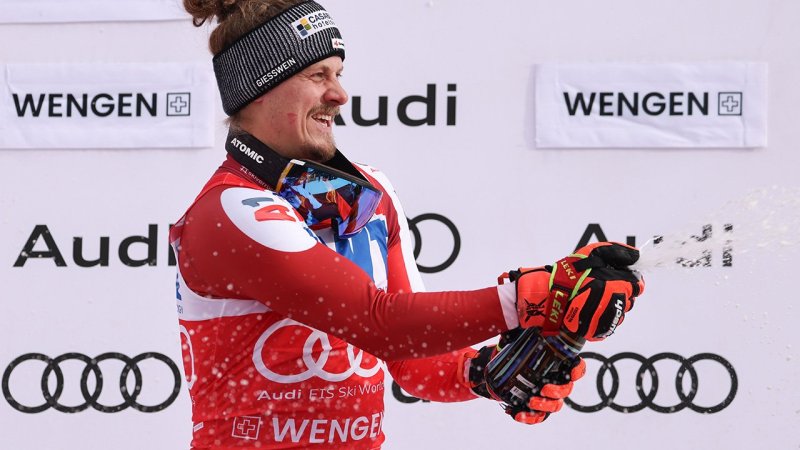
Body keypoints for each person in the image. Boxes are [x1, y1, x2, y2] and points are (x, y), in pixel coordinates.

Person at [171, 1, 645, 449]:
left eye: (338, 74)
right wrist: (532, 298)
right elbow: (379, 322)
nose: (339, 94)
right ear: (260, 88)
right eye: (318, 75)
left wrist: (486, 372)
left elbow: (412, 362)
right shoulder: (229, 210)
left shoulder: (367, 193)